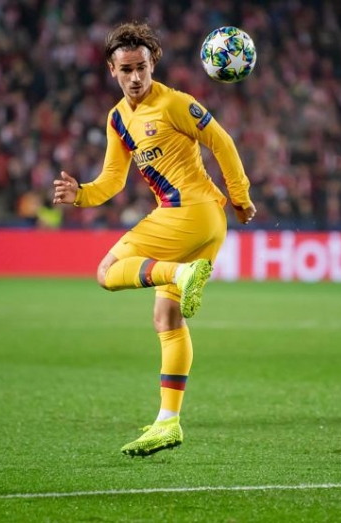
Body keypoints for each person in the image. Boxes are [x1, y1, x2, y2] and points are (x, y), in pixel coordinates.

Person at [52, 23, 257, 457]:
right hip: (202, 223)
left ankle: (182, 274)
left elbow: (222, 142)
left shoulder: (175, 103)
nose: (135, 77)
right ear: (112, 70)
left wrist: (240, 197)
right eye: (126, 69)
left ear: (153, 64)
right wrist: (81, 194)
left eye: (142, 67)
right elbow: (112, 180)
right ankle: (168, 422)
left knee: (107, 272)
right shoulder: (117, 119)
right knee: (167, 319)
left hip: (190, 213)